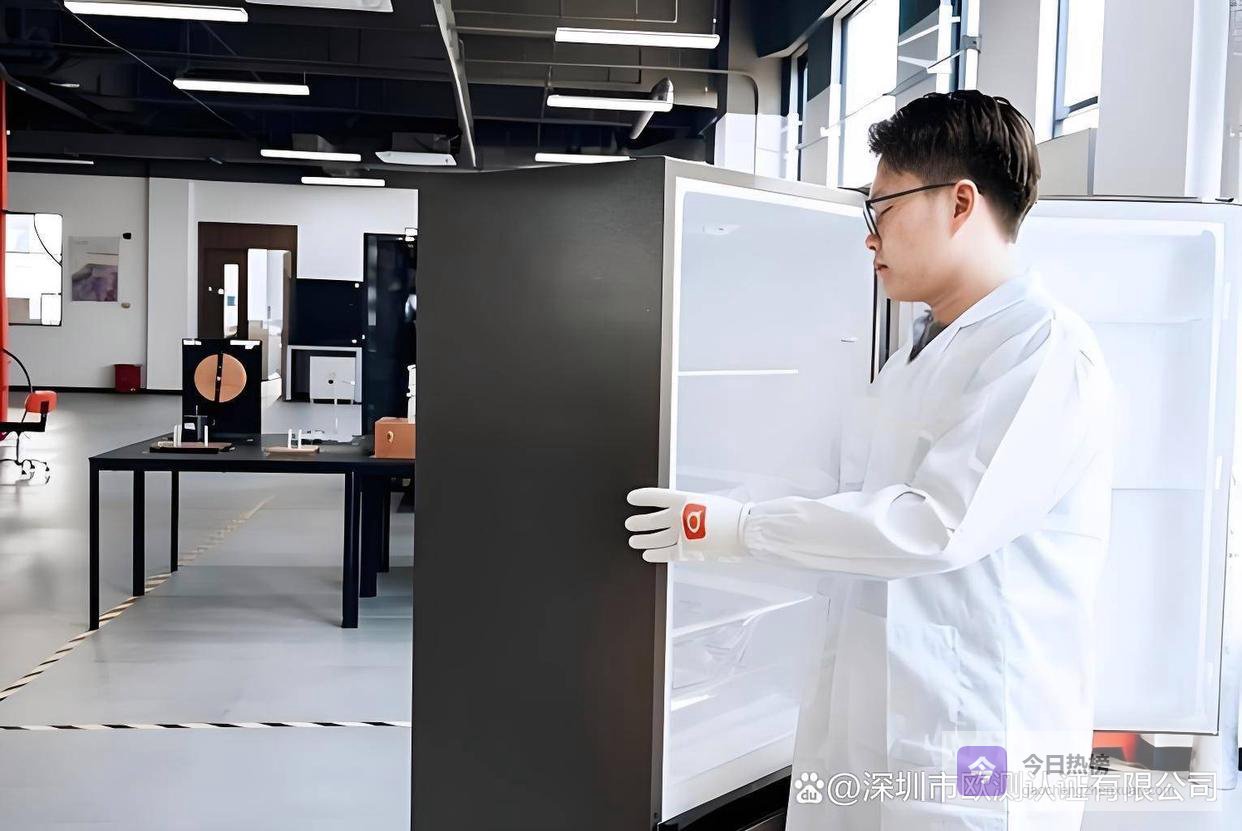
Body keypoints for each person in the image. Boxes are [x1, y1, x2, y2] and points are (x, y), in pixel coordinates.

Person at [625, 90, 1114, 830]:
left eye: (882, 207)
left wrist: (740, 527)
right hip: (877, 722)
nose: (870, 237)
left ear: (959, 203)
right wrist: (716, 508)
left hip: (976, 741)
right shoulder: (919, 353)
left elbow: (935, 526)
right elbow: (845, 491)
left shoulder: (1041, 352)